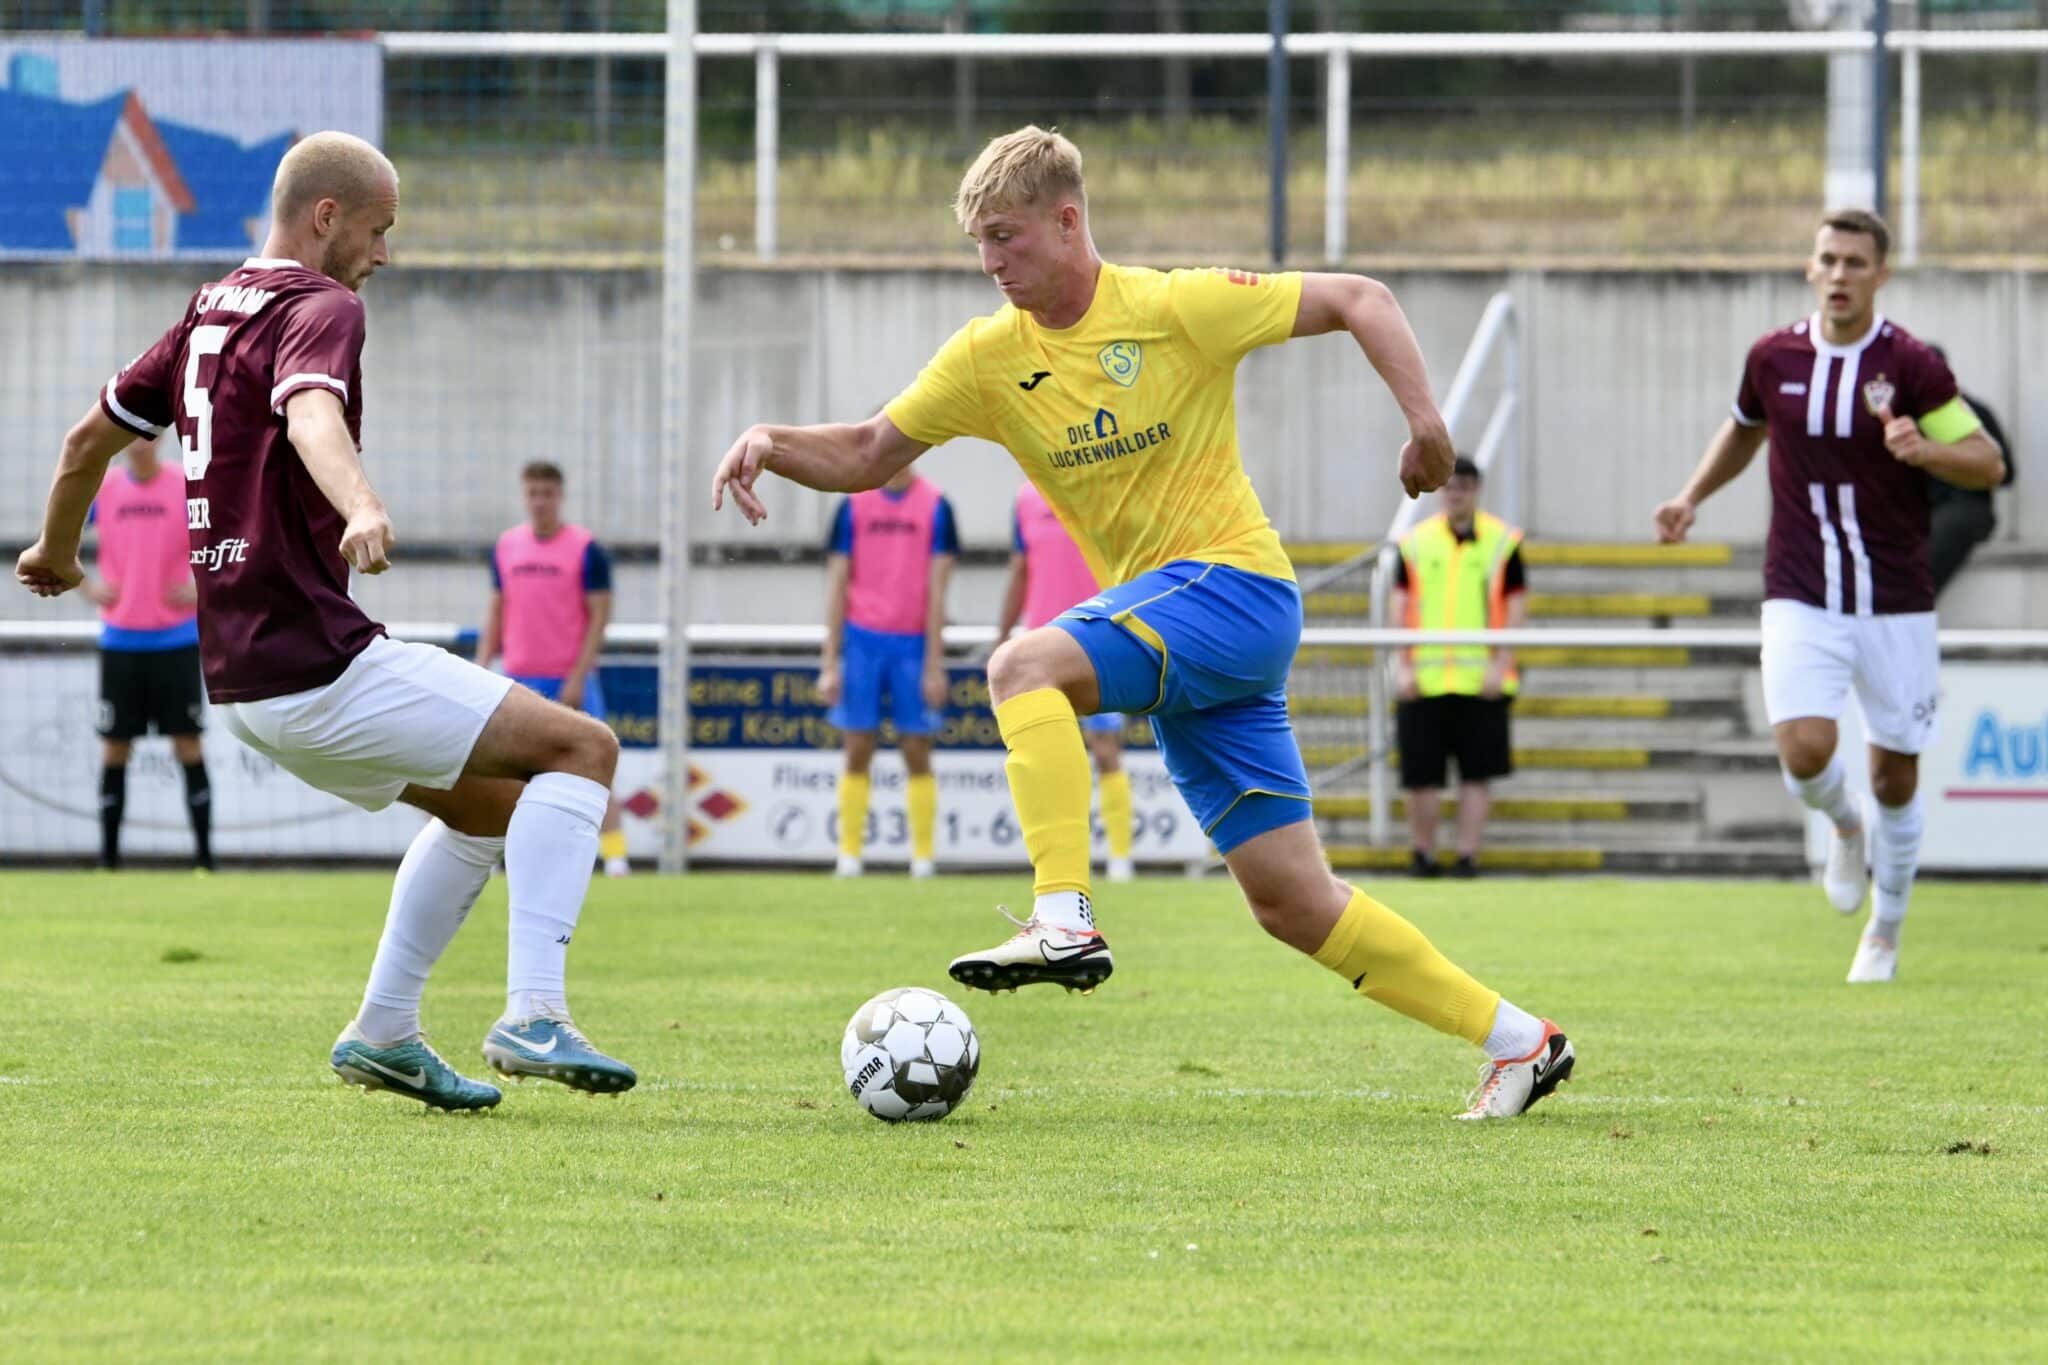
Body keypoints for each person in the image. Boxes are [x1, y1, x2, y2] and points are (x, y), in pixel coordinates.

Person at [713, 126, 1574, 1120]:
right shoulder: (989, 358)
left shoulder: (1171, 308)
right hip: (1187, 644)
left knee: (1019, 666)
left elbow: (1360, 299)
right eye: (978, 246)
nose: (991, 264)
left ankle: (1061, 918)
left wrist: (1427, 426)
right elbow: (867, 451)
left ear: (1066, 221)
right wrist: (770, 442)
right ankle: (1520, 1041)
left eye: (1006, 237)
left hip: (1233, 589)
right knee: (1291, 903)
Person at [16, 131, 637, 1110]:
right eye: (380, 231)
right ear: (327, 217)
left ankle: (385, 1031)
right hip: (316, 663)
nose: (383, 255)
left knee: (485, 808)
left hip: (244, 682)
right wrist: (360, 504)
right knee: (582, 748)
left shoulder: (208, 309)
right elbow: (311, 414)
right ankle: (534, 1013)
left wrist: (56, 551)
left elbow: (86, 439)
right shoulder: (321, 305)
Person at [1654, 209, 2005, 985]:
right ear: (1810, 270)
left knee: (1895, 774)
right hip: (1800, 589)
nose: (1840, 273)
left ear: (1881, 274)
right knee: (1806, 750)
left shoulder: (1910, 366)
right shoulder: (1773, 356)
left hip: (1896, 596)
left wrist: (1929, 450)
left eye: (1855, 261)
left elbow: (1987, 464)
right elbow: (1745, 428)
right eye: (1828, 259)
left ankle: (1885, 927)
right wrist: (1690, 496)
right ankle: (1845, 826)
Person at [475, 460, 632, 878]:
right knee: (508, 776)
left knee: (595, 769)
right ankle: (501, 855)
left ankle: (616, 856)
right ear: (524, 495)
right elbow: (497, 611)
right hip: (519, 677)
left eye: (547, 493)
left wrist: (579, 675)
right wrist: (482, 664)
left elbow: (599, 615)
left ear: (560, 496)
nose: (540, 501)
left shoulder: (586, 548)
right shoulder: (507, 547)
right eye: (533, 493)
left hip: (568, 678)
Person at [820, 463, 958, 879]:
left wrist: (935, 664)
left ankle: (923, 857)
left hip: (913, 642)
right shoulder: (852, 506)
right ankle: (849, 855)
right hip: (861, 641)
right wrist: (830, 660)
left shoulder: (937, 507)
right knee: (857, 747)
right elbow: (837, 584)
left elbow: (939, 591)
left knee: (916, 749)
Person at [1391, 456, 1527, 879]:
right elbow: (1400, 607)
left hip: (1479, 679)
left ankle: (1467, 855)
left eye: (1464, 487)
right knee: (1421, 777)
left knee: (1476, 775)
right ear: (1441, 492)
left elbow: (1515, 608)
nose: (1457, 494)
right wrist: (1402, 665)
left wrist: (1501, 665)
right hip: (1426, 678)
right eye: (1450, 487)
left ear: (1476, 490)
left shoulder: (1503, 542)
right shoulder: (1414, 542)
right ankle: (1423, 853)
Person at [83, 435, 212, 872]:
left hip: (176, 638)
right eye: (131, 435)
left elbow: (227, 538)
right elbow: (56, 533)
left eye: (149, 434)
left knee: (188, 744)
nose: (139, 443)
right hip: (120, 639)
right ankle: (109, 863)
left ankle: (205, 862)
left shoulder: (186, 485)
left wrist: (204, 585)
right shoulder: (103, 488)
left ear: (160, 439)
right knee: (116, 748)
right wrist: (84, 584)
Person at [998, 480, 1136, 882]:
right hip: (1042, 642)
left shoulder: (1104, 486)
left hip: (1097, 637)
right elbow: (1020, 570)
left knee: (1105, 746)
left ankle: (1120, 856)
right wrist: (1004, 633)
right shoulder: (1024, 498)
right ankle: (1059, 864)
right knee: (1047, 754)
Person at [1921, 343, 2014, 598]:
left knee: (1951, 526)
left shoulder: (1974, 412)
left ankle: (1914, 602)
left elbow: (2004, 471)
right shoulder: (1906, 417)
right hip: (1925, 507)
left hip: (1966, 505)